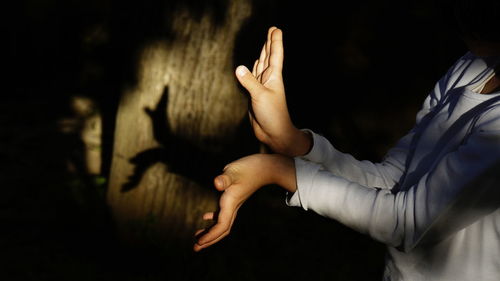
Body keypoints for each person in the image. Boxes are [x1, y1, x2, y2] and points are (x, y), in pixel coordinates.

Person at [193, 1, 500, 280]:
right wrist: (292, 142)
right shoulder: (473, 65)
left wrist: (278, 171)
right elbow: (392, 182)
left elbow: (406, 222)